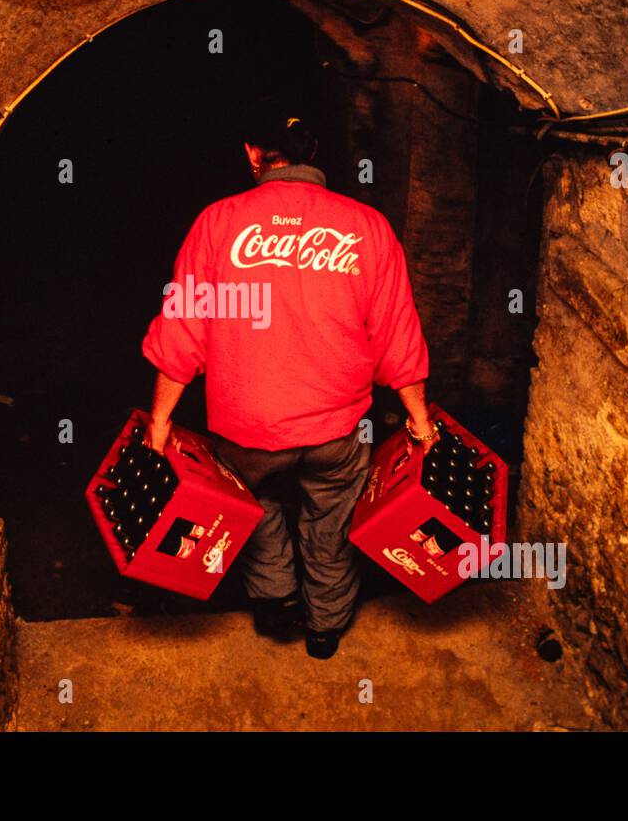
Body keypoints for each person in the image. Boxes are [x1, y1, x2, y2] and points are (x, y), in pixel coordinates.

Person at [140, 97, 436, 659]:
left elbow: (183, 330)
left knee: (257, 506)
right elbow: (397, 334)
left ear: (254, 154)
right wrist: (419, 421)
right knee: (331, 522)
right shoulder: (367, 227)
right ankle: (325, 627)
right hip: (336, 429)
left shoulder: (217, 223)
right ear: (316, 154)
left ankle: (275, 601)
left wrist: (160, 421)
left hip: (246, 430)